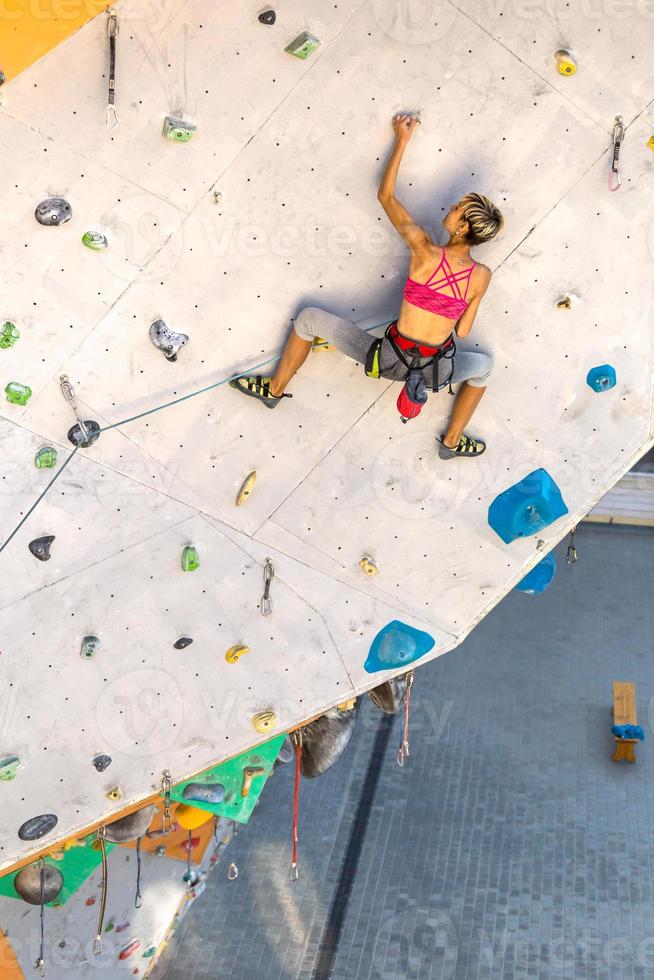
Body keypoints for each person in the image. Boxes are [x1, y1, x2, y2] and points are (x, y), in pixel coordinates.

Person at [230, 114, 503, 459]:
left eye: (456, 208)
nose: (450, 208)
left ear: (462, 227)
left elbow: (386, 196)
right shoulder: (482, 276)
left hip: (389, 359)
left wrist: (402, 140)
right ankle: (450, 443)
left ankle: (274, 388)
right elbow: (463, 329)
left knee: (308, 319)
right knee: (484, 368)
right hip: (437, 370)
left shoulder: (424, 249)